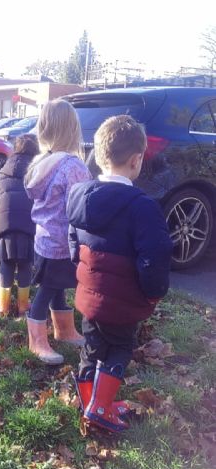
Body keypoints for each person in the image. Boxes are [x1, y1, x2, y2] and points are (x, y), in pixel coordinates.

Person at [66, 115, 173, 432]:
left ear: (99, 155)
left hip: (89, 294)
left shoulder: (79, 196)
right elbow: (154, 256)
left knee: (92, 345)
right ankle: (100, 408)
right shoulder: (142, 206)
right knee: (120, 348)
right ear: (136, 160)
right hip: (122, 300)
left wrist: (84, 272)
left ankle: (90, 401)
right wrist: (154, 292)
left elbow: (72, 243)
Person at [24, 99, 92, 365]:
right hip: (64, 242)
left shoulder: (41, 163)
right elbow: (81, 207)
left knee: (57, 285)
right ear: (72, 129)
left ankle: (64, 330)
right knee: (49, 288)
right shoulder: (73, 166)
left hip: (45, 240)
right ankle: (37, 341)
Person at [0, 134, 38, 317]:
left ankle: (4, 307)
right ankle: (23, 306)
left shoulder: (2, 173)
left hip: (4, 226)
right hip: (27, 225)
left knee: (6, 263)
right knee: (25, 264)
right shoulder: (36, 173)